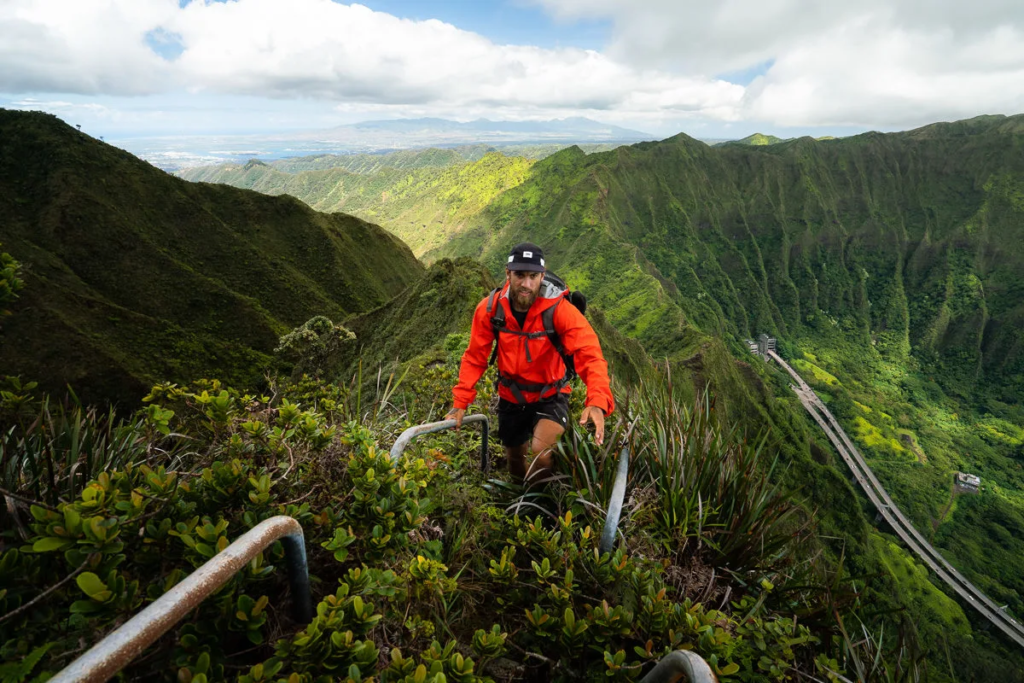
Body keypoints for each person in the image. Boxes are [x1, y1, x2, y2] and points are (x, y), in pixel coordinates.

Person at [445, 242, 614, 481]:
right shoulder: (491, 309)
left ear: (542, 276)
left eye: (533, 276)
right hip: (511, 395)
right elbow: (475, 357)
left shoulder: (560, 310)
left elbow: (590, 354)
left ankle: (534, 507)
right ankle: (517, 498)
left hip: (551, 395)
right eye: (520, 275)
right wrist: (460, 403)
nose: (526, 284)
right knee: (515, 458)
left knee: (542, 455)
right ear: (508, 274)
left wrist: (597, 400)